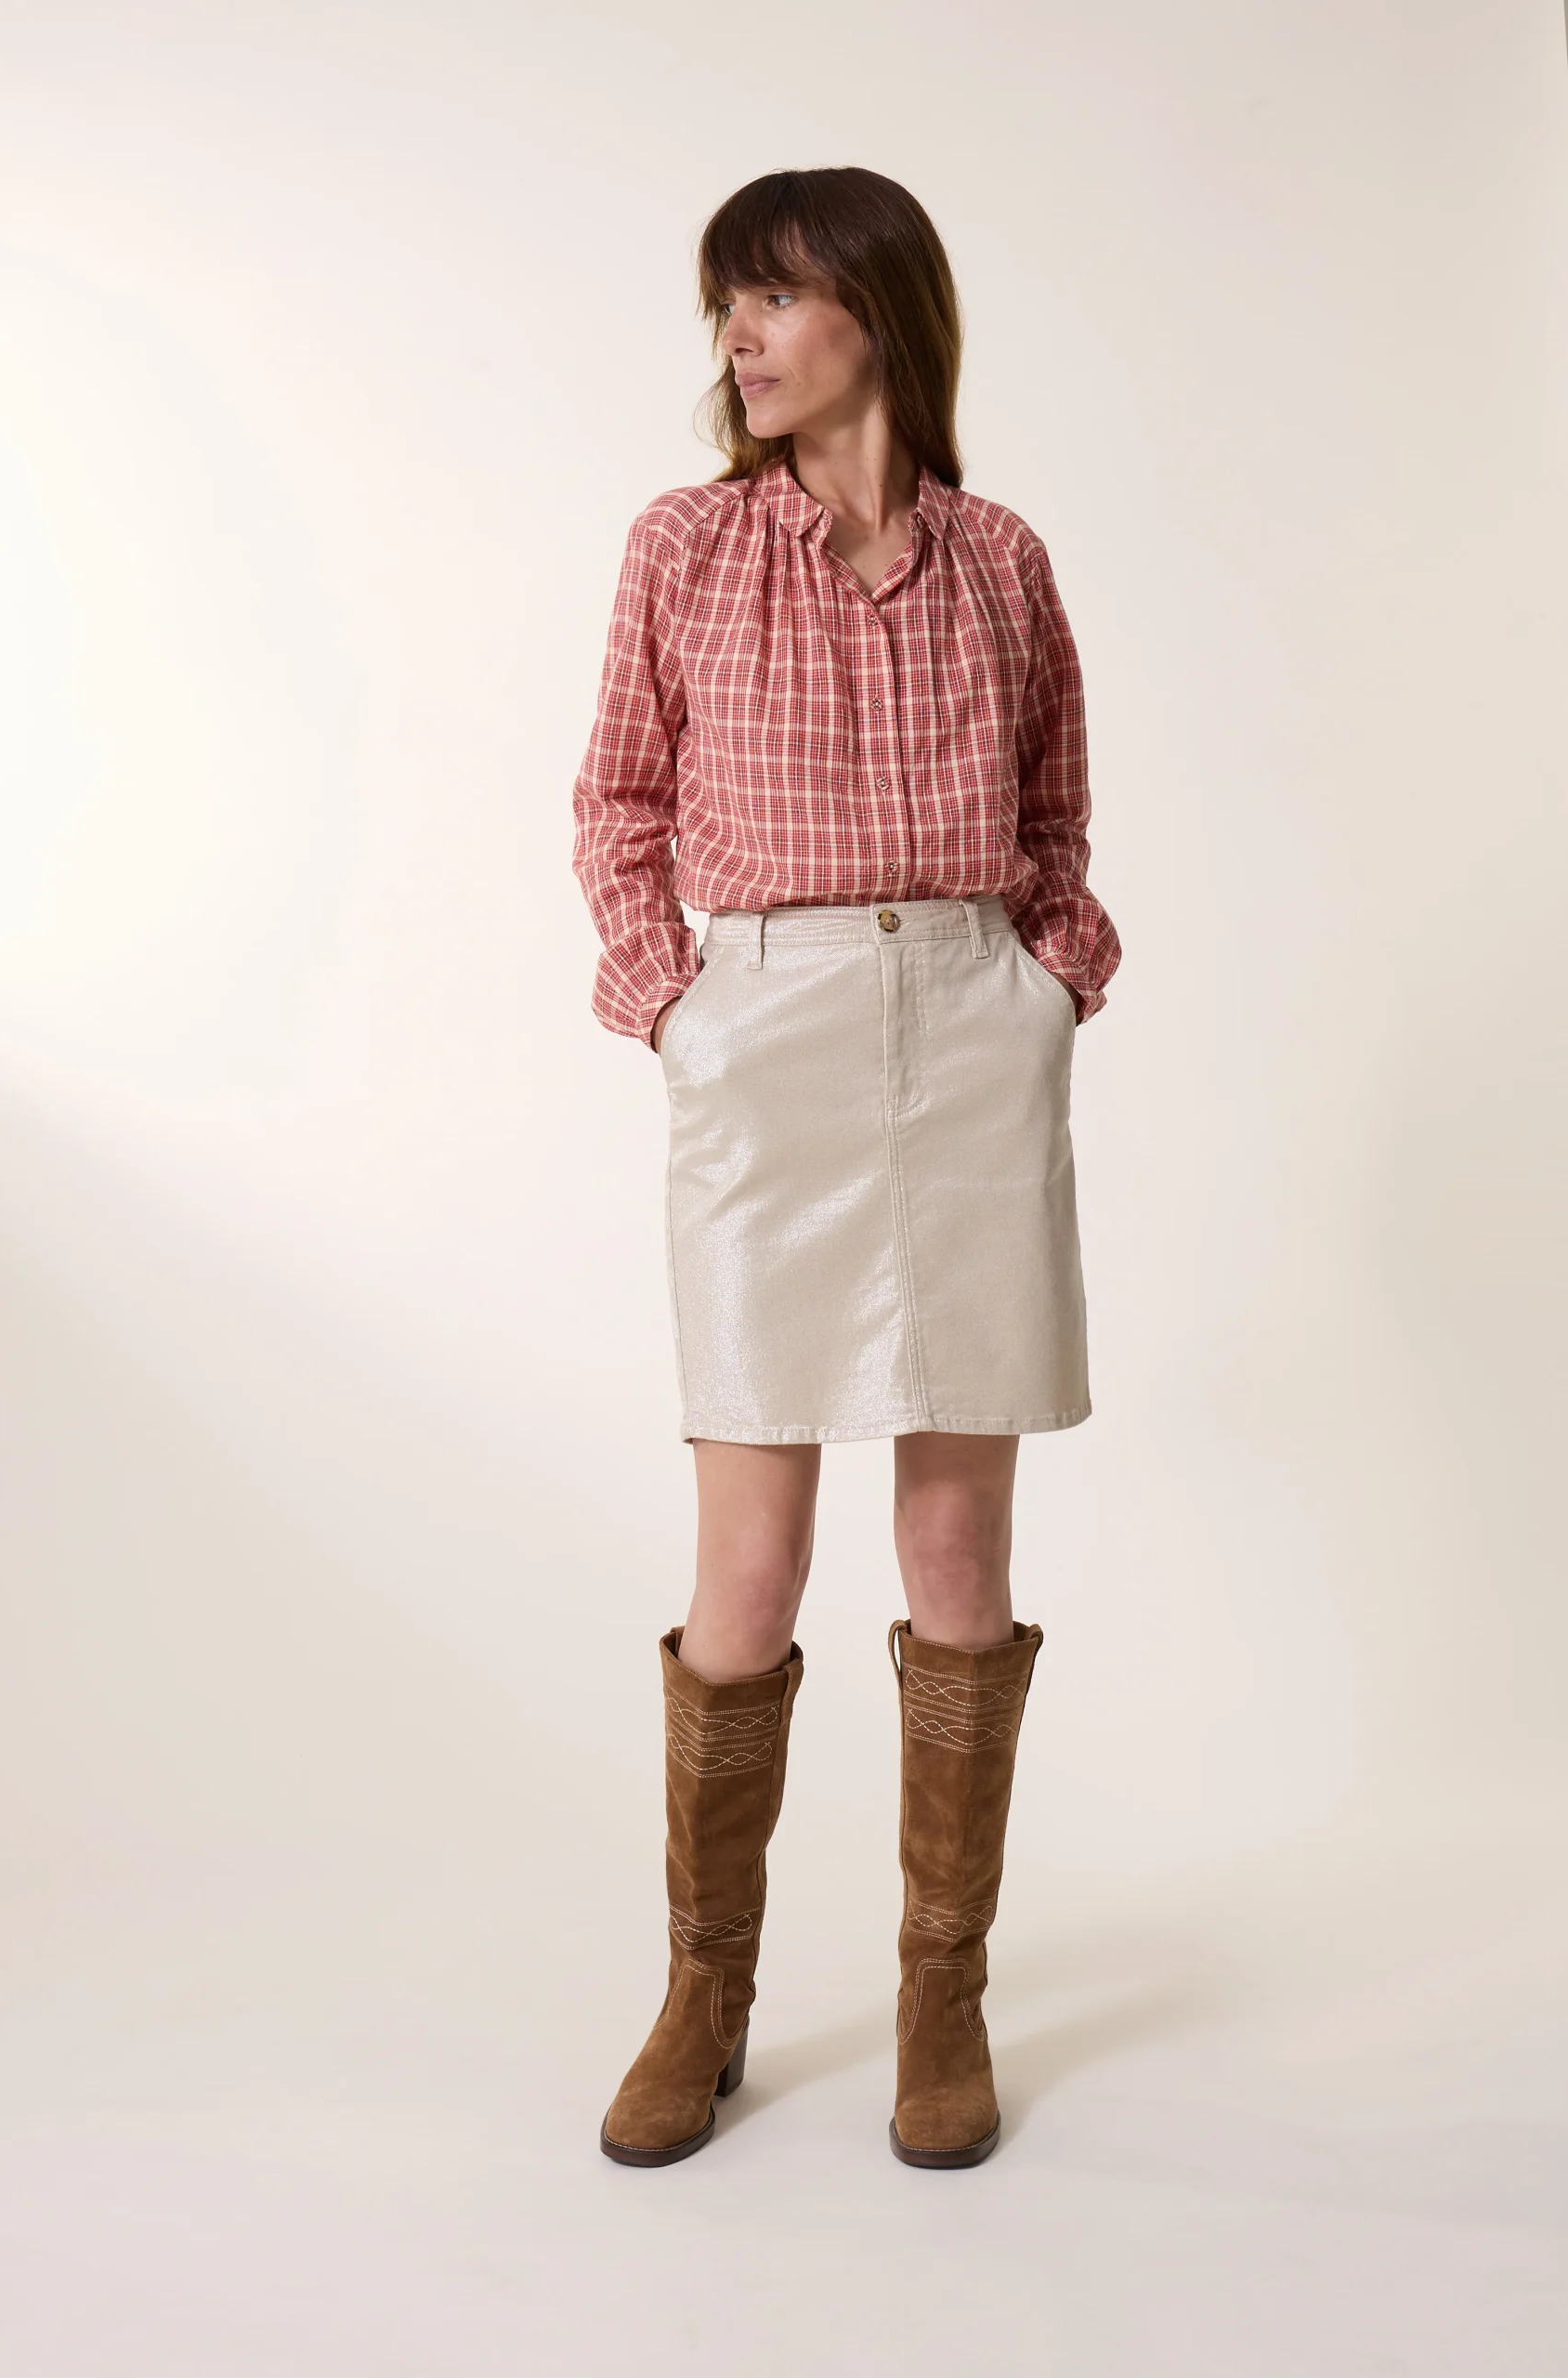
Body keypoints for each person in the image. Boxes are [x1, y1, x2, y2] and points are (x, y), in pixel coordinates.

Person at [571, 165, 1121, 2169]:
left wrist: (1048, 982)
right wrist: (679, 1007)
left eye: (776, 296)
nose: (739, 334)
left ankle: (938, 1993)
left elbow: (1057, 816)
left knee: (958, 1557)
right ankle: (703, 1990)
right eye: (726, 301)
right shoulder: (685, 546)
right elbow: (617, 806)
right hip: (768, 1042)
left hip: (971, 1037)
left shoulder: (1001, 560)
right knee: (748, 1569)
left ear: (875, 314)